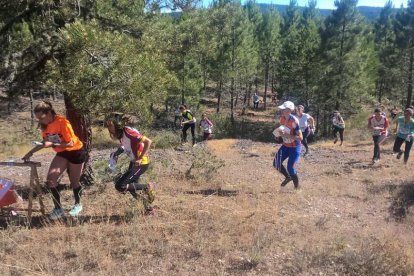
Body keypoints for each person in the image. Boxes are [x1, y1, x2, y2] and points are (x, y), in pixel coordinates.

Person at [22, 100, 86, 219]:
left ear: (49, 113)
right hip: (62, 153)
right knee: (51, 179)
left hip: (76, 152)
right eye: (38, 118)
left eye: (41, 117)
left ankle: (78, 204)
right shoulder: (45, 126)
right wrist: (30, 153)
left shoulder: (63, 122)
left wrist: (52, 143)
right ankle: (58, 208)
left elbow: (70, 143)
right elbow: (45, 142)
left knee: (74, 182)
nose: (40, 121)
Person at [106, 113, 155, 215]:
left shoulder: (128, 132)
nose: (108, 127)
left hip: (141, 163)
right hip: (134, 162)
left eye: (110, 125)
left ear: (117, 124)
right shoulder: (121, 134)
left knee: (120, 186)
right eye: (107, 125)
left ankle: (147, 187)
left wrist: (140, 158)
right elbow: (125, 146)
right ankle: (148, 209)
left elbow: (148, 142)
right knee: (132, 188)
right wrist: (116, 154)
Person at [273, 101, 303, 189]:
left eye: (284, 109)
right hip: (285, 146)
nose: (281, 110)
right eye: (282, 108)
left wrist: (286, 135)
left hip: (295, 147)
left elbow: (300, 137)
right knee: (276, 163)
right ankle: (288, 177)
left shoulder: (294, 121)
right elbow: (283, 129)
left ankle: (297, 188)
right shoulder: (282, 118)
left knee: (291, 168)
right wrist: (278, 135)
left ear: (289, 110)